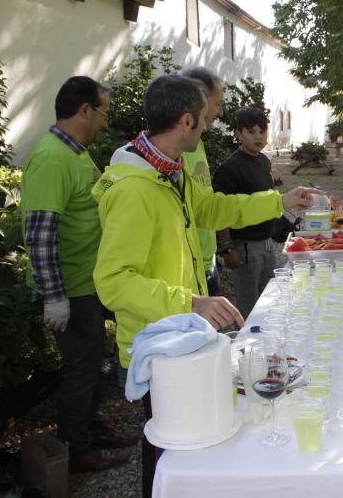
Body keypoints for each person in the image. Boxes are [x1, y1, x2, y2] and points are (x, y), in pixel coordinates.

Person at [92, 74, 319, 498]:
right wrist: (192, 302)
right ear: (185, 121)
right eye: (204, 119)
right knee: (167, 449)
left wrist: (280, 201)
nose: (210, 125)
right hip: (157, 342)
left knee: (196, 439)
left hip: (183, 332)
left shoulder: (169, 171)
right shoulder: (132, 189)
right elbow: (112, 282)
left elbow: (213, 207)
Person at [20, 76, 136, 472]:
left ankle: (91, 428)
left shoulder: (76, 154)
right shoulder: (52, 159)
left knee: (92, 364)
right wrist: (55, 295)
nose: (105, 122)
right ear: (84, 110)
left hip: (89, 283)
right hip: (69, 289)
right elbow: (40, 234)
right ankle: (78, 447)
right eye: (102, 113)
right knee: (80, 370)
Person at [213, 107, 277, 319]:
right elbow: (219, 210)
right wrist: (226, 247)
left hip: (268, 243)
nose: (258, 136)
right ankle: (245, 347)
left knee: (270, 299)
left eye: (262, 131)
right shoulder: (230, 168)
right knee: (249, 306)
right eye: (251, 131)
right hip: (245, 246)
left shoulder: (263, 161)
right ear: (239, 134)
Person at [180, 66, 224, 297]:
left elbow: (208, 205)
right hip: (186, 276)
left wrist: (280, 201)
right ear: (200, 101)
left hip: (208, 262)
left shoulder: (197, 144)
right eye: (217, 103)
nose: (220, 112)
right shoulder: (174, 153)